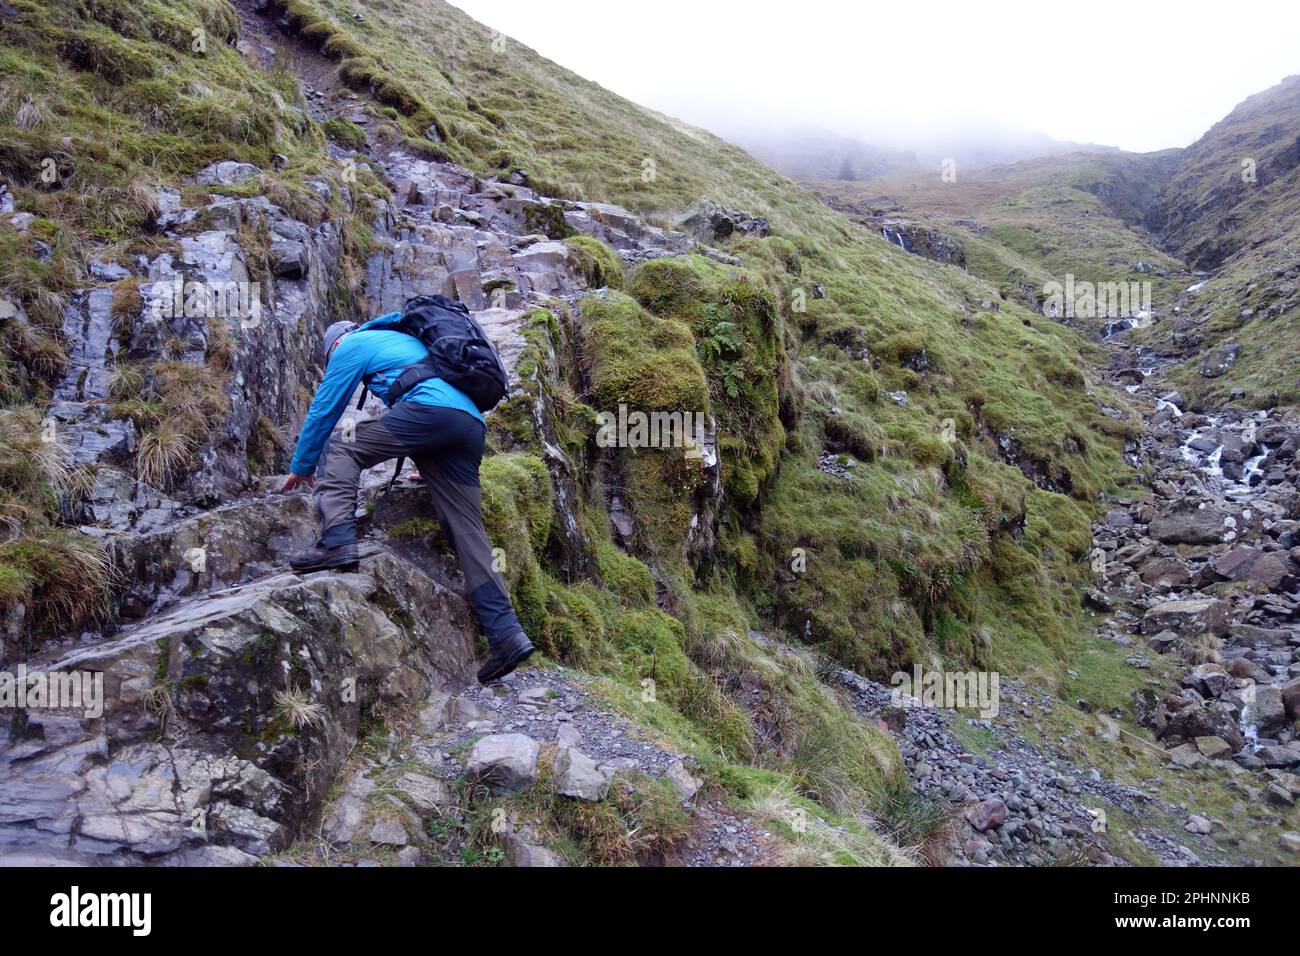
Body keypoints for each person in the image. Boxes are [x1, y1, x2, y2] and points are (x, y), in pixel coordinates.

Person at [281, 316, 534, 684]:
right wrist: (428, 464)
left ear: (334, 345)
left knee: (343, 448)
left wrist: (302, 465)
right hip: (469, 426)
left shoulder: (351, 345)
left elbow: (326, 408)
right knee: (468, 532)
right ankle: (506, 634)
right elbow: (422, 404)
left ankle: (336, 542)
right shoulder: (406, 344)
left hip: (433, 415)